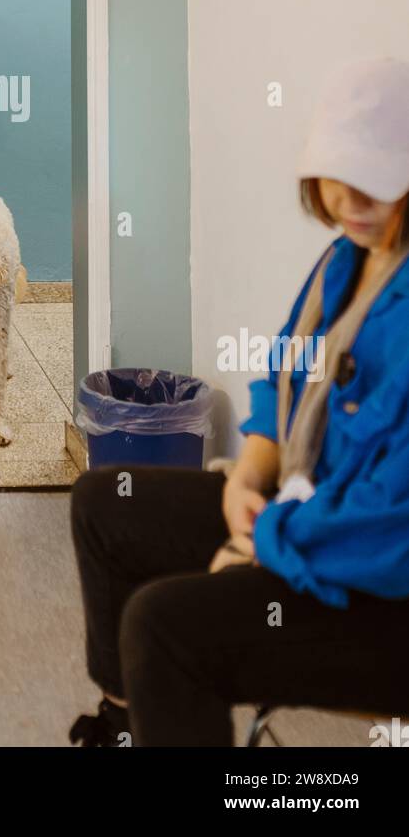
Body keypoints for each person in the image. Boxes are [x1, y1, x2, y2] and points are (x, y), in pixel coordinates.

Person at [69, 57, 409, 746]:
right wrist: (249, 477)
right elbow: (282, 385)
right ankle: (128, 724)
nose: (351, 201)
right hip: (299, 508)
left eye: (378, 183)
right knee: (104, 504)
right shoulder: (345, 262)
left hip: (375, 590)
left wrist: (261, 546)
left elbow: (388, 523)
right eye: (340, 175)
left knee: (162, 624)